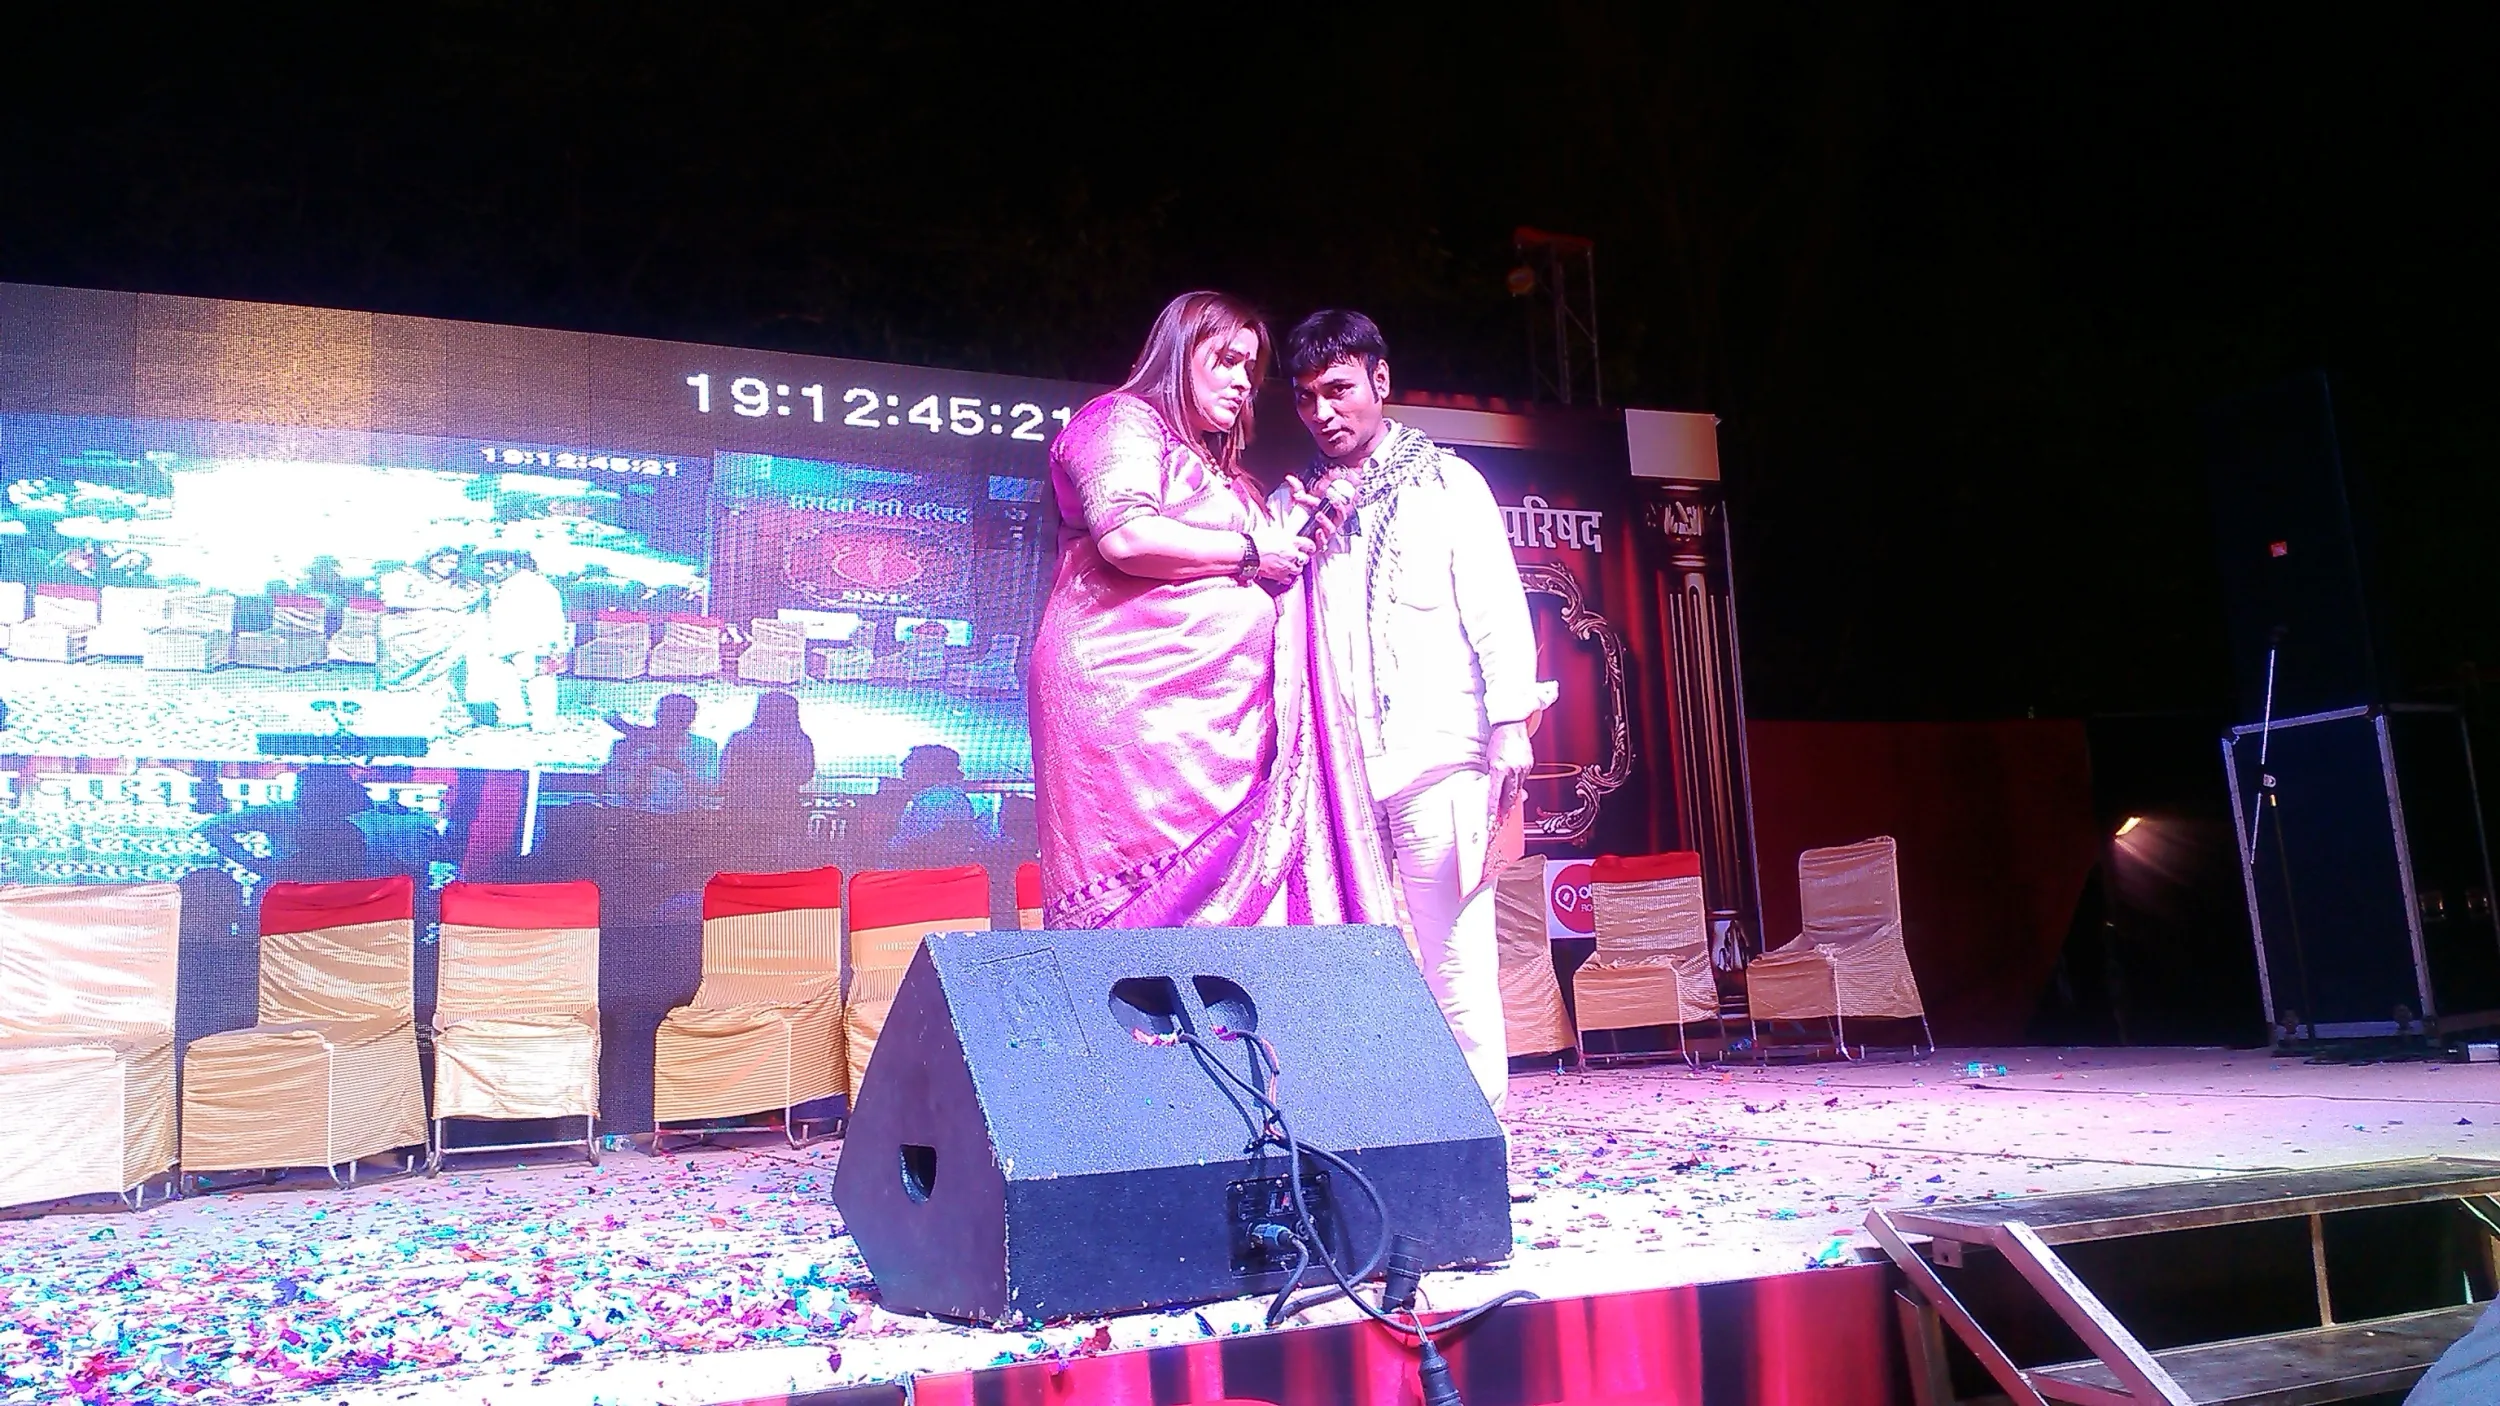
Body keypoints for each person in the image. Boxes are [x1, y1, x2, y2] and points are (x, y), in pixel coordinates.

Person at [1028, 291, 1395, 929]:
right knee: (1145, 923)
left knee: (1241, 918)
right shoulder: (1121, 420)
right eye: (1225, 360)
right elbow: (1126, 536)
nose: (1242, 381)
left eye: (1249, 368)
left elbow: (1260, 566)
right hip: (1135, 707)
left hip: (1225, 725)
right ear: (1178, 355)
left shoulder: (1219, 468)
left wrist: (1302, 525)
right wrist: (1254, 550)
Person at [1282, 309, 1552, 1115]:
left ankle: (1478, 1136)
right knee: (1355, 966)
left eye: (1338, 390)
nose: (1322, 412)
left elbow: (1497, 609)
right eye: (1305, 397)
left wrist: (1510, 725)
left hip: (1440, 761)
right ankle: (1381, 1135)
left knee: (1456, 963)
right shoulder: (1299, 505)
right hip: (1338, 776)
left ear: (1381, 380)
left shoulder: (1448, 484)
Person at [377, 548, 484, 732]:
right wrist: (440, 605)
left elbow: (473, 596)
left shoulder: (458, 583)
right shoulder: (401, 576)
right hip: (406, 636)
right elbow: (392, 601)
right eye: (444, 561)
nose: (450, 567)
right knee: (405, 680)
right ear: (431, 559)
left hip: (443, 639)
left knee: (445, 673)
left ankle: (447, 717)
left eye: (454, 562)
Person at [468, 550, 569, 731]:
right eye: (485, 566)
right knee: (505, 680)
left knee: (538, 680)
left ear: (509, 563)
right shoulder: (498, 587)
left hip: (533, 643)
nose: (489, 570)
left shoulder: (534, 584)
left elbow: (553, 615)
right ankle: (514, 718)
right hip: (504, 643)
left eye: (493, 565)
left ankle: (544, 722)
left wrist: (554, 642)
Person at [720, 690, 818, 840]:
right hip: (783, 808)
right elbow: (805, 775)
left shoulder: (739, 738)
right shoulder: (800, 740)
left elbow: (726, 773)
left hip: (740, 809)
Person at [601, 693, 719, 814]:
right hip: (634, 815)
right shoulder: (625, 745)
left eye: (681, 716)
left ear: (691, 718)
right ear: (657, 715)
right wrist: (642, 768)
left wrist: (680, 769)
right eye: (668, 714)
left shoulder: (704, 746)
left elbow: (710, 787)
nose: (673, 721)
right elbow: (615, 787)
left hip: (686, 817)